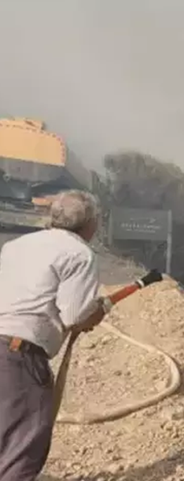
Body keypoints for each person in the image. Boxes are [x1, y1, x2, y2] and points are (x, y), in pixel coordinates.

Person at [0, 190, 108, 481]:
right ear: (91, 224)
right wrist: (93, 315)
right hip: (17, 356)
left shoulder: (15, 245)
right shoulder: (80, 254)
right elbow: (75, 316)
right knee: (22, 445)